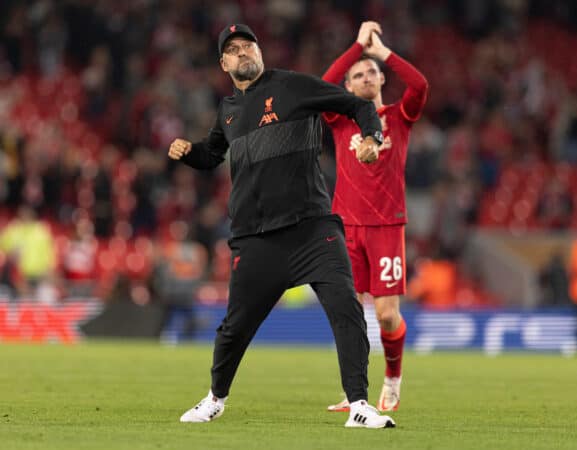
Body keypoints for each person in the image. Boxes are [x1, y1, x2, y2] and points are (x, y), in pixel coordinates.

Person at [168, 23, 395, 429]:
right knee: (234, 328)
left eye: (248, 46)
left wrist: (372, 138)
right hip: (256, 239)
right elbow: (211, 155)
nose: (242, 53)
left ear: (260, 51)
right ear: (224, 63)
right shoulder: (228, 112)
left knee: (346, 308)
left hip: (313, 229)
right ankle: (215, 398)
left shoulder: (292, 87)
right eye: (233, 50)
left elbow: (357, 106)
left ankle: (359, 404)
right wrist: (189, 153)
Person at [322, 22, 429, 412]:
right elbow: (324, 82)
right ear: (349, 87)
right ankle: (356, 393)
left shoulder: (398, 116)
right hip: (346, 227)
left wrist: (382, 52)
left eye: (371, 72)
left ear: (381, 78)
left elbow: (420, 87)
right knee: (348, 315)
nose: (365, 77)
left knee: (385, 315)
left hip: (385, 226)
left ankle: (393, 380)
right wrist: (356, 47)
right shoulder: (341, 119)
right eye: (358, 75)